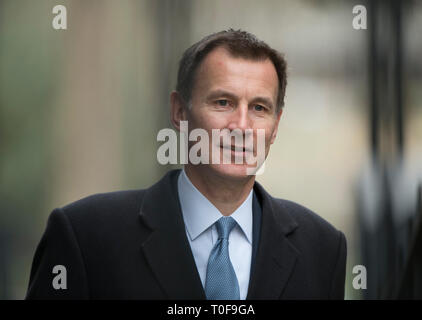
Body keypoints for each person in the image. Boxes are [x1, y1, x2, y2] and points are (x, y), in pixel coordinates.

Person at [26, 29, 347, 300]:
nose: (241, 125)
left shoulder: (322, 248)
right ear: (180, 111)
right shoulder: (86, 236)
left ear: (275, 126)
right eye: (223, 102)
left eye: (259, 108)